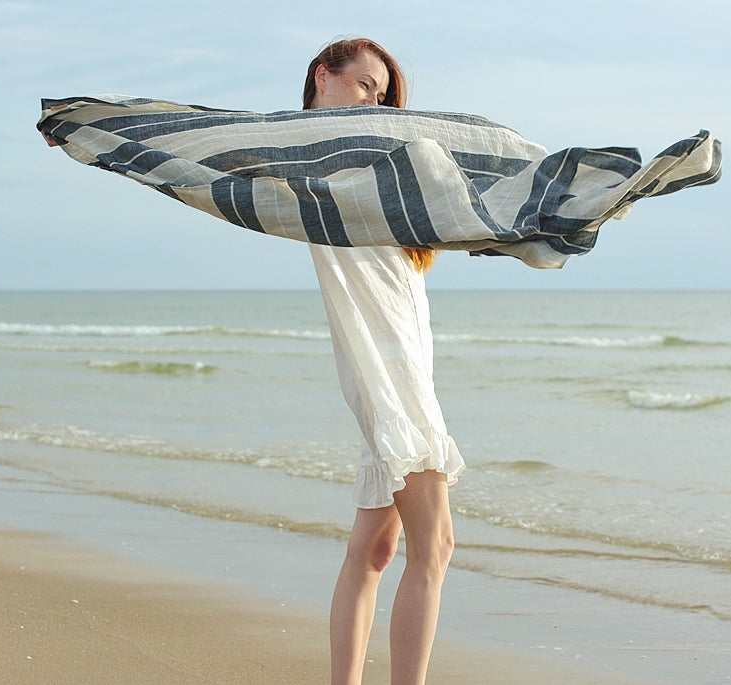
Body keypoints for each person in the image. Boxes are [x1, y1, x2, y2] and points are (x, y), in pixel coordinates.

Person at [302, 38, 465, 685]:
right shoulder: (308, 152)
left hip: (403, 371)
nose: (375, 100)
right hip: (386, 378)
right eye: (366, 85)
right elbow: (203, 152)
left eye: (383, 94)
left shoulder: (379, 166)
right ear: (324, 75)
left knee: (376, 549)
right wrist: (95, 132)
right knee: (437, 546)